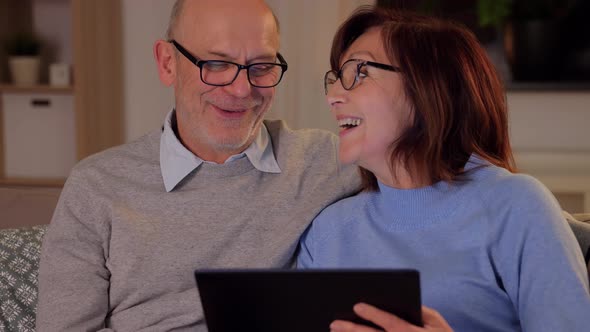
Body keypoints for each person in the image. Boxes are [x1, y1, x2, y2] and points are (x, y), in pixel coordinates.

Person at [36, 0, 359, 330]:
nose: (241, 89)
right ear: (167, 63)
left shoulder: (329, 160)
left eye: (261, 67)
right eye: (217, 63)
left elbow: (410, 171)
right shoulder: (95, 187)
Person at [297, 7, 590, 332]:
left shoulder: (515, 206)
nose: (333, 95)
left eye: (360, 72)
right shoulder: (326, 234)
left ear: (428, 87)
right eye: (336, 78)